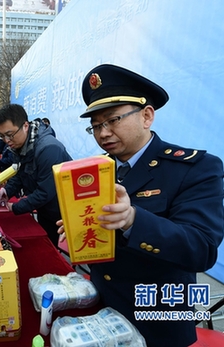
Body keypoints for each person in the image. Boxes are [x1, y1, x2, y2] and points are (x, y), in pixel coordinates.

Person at [58, 63, 224, 346]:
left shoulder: (195, 168)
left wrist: (134, 219)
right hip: (103, 311)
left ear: (147, 116)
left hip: (157, 321)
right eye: (96, 126)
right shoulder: (100, 169)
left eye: (113, 120)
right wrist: (79, 230)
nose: (103, 133)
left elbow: (201, 248)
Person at [0, 104, 72, 246]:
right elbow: (20, 173)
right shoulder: (22, 144)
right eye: (1, 136)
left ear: (25, 126)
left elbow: (45, 193)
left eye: (10, 135)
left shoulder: (48, 149)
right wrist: (7, 191)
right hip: (45, 209)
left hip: (62, 212)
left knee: (52, 252)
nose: (6, 140)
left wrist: (14, 207)